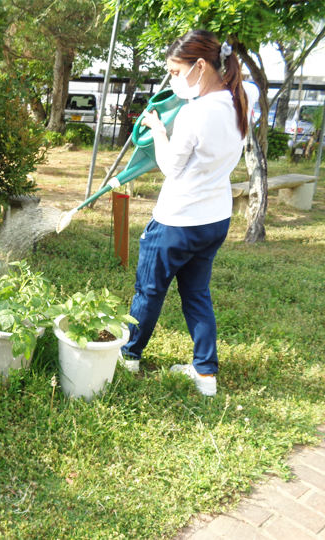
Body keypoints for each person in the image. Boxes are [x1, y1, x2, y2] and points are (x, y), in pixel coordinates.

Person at [120, 30, 259, 396]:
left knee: (148, 291)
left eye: (176, 71)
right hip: (214, 219)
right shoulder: (239, 102)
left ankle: (128, 355)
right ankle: (205, 375)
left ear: (200, 65)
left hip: (176, 222)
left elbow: (170, 167)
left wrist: (157, 129)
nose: (174, 80)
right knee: (197, 294)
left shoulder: (195, 113)